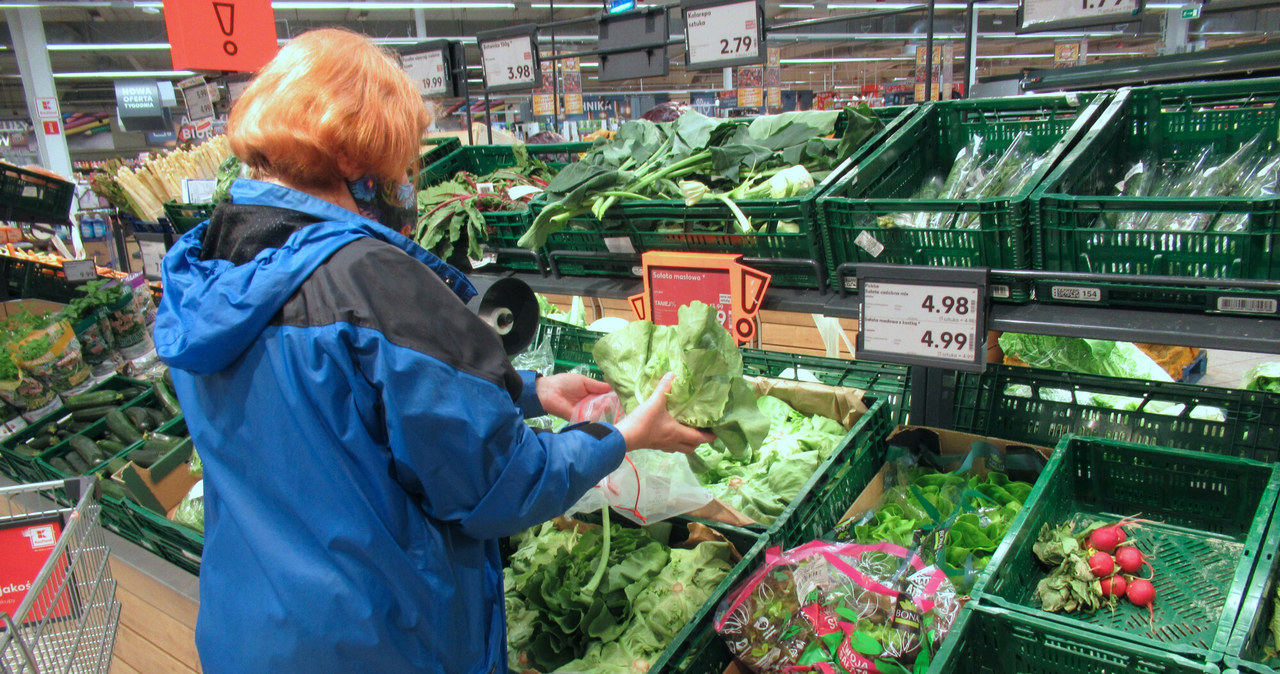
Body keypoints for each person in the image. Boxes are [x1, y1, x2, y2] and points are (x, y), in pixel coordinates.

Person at [153, 28, 713, 674]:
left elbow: (333, 403)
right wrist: (621, 439)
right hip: (382, 641)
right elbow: (501, 484)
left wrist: (528, 390)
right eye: (404, 157)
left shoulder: (209, 269)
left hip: (254, 634)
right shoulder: (371, 280)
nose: (408, 175)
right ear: (361, 156)